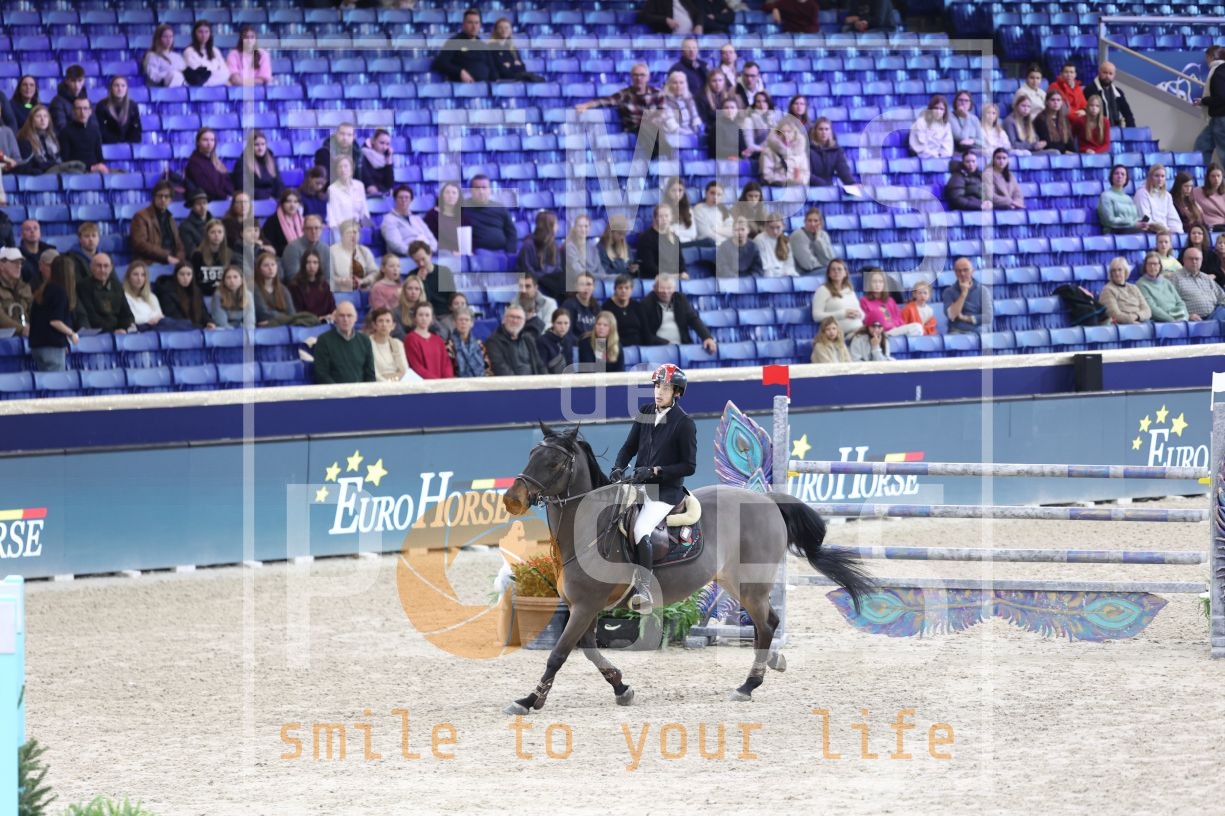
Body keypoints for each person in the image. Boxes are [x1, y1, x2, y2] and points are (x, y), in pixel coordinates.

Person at [611, 363, 698, 613]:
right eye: (657, 386)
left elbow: (689, 466)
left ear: (677, 392)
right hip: (639, 486)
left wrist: (657, 471)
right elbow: (629, 447)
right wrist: (618, 467)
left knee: (640, 529)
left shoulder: (684, 423)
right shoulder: (645, 411)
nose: (659, 391)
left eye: (666, 388)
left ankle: (644, 589)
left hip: (665, 492)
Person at [574, 65, 664, 135]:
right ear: (631, 77)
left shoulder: (657, 93)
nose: (639, 78)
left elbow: (663, 112)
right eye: (635, 75)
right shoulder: (624, 95)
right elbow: (604, 101)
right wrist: (586, 105)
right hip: (635, 129)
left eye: (642, 75)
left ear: (648, 77)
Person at [641, 273, 716, 351]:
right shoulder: (646, 304)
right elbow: (645, 333)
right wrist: (665, 343)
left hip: (682, 346)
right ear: (654, 288)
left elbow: (693, 319)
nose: (665, 292)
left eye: (669, 288)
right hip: (658, 348)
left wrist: (707, 337)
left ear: (674, 288)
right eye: (662, 288)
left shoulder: (681, 299)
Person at [28, 255, 77, 370]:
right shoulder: (60, 292)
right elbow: (55, 321)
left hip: (37, 346)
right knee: (55, 380)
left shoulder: (44, 289)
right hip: (51, 346)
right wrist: (72, 334)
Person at [313, 301, 375, 384]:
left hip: (360, 390)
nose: (345, 319)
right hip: (335, 391)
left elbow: (370, 374)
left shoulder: (365, 340)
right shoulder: (323, 340)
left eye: (349, 315)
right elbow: (322, 374)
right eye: (341, 315)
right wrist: (340, 390)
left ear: (356, 318)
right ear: (335, 318)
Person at [431, 8, 498, 83]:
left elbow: (493, 71)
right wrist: (460, 71)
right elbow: (440, 63)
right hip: (462, 87)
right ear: (464, 25)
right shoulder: (454, 42)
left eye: (476, 23)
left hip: (484, 86)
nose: (474, 27)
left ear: (480, 25)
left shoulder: (483, 46)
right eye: (470, 23)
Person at [252, 252, 318, 328]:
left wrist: (277, 320)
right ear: (259, 269)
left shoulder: (283, 288)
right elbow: (263, 314)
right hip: (264, 329)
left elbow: (292, 314)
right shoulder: (254, 288)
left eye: (273, 265)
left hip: (281, 326)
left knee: (311, 318)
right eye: (266, 265)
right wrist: (285, 318)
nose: (270, 268)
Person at [76, 253, 135, 333]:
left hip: (119, 332)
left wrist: (124, 328)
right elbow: (91, 317)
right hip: (98, 334)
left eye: (106, 266)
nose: (102, 270)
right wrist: (113, 331)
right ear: (91, 267)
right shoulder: (83, 287)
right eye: (98, 266)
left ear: (111, 268)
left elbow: (127, 315)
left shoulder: (117, 286)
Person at [16, 106, 85, 175]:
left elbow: (58, 157)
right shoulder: (25, 139)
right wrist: (52, 164)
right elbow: (32, 164)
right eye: (38, 116)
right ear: (32, 120)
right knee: (75, 170)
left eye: (45, 116)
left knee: (79, 168)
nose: (43, 119)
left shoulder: (52, 136)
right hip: (42, 172)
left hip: (55, 167)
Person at [130, 181, 185, 266]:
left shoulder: (171, 219)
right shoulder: (141, 216)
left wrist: (179, 259)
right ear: (154, 197)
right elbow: (140, 244)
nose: (163, 199)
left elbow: (179, 244)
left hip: (171, 261)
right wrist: (166, 256)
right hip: (150, 262)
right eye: (160, 196)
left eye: (166, 196)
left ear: (170, 200)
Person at [485, 304, 545, 376]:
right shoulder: (493, 341)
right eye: (511, 317)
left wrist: (546, 380)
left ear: (524, 322)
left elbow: (540, 364)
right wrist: (520, 382)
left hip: (534, 380)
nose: (515, 321)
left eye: (519, 318)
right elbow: (500, 368)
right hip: (512, 382)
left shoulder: (528, 338)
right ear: (504, 320)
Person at [463, 175, 517, 253]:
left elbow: (511, 232)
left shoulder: (500, 208)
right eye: (477, 188)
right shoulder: (463, 208)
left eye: (484, 188)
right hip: (478, 253)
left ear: (489, 190)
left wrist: (510, 252)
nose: (481, 192)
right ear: (471, 191)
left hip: (503, 251)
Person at [860, 267, 920, 336]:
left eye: (880, 282)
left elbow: (899, 320)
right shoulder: (864, 301)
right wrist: (885, 325)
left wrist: (892, 324)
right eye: (874, 282)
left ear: (884, 284)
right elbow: (867, 322)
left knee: (917, 327)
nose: (877, 284)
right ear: (869, 284)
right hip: (878, 332)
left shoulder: (890, 301)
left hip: (893, 330)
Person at [811, 258, 863, 335]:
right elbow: (816, 316)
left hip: (859, 329)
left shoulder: (849, 290)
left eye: (839, 269)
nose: (836, 271)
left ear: (845, 273)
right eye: (833, 269)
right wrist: (843, 314)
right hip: (840, 335)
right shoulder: (823, 290)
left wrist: (859, 314)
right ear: (829, 274)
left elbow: (861, 313)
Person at [381, 185, 437, 257]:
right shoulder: (389, 219)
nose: (404, 200)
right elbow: (395, 244)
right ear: (395, 199)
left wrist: (431, 249)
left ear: (411, 200)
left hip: (426, 253)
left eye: (407, 197)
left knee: (445, 254)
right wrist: (416, 253)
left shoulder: (417, 219)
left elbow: (431, 238)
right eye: (400, 197)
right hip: (406, 256)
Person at [154, 261, 213, 329]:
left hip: (196, 329)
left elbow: (203, 312)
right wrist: (196, 327)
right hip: (178, 330)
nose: (185, 277)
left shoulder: (197, 292)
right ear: (176, 275)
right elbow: (174, 318)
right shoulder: (167, 292)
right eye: (182, 274)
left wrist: (209, 322)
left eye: (189, 274)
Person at [402, 303, 453, 379]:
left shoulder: (438, 340)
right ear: (415, 318)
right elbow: (415, 366)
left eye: (427, 315)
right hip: (423, 383)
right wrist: (435, 381)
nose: (424, 318)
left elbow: (446, 363)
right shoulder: (410, 339)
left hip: (441, 383)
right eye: (420, 315)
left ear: (432, 318)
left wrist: (447, 380)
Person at [942, 256, 992, 334]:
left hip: (978, 331)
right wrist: (963, 294)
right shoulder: (948, 292)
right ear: (955, 273)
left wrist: (965, 318)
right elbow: (952, 315)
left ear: (972, 271)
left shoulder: (983, 291)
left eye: (965, 270)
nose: (962, 273)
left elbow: (988, 317)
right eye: (958, 271)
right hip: (956, 331)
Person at [122, 260, 176, 332]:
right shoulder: (124, 296)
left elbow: (160, 316)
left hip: (159, 326)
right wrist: (150, 319)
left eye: (143, 275)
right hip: (142, 329)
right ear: (128, 277)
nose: (139, 278)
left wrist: (154, 319)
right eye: (135, 274)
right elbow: (130, 318)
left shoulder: (152, 296)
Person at [1173, 247, 1225, 321]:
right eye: (1191, 259)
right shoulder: (1176, 278)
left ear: (1201, 261)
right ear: (1184, 260)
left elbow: (1222, 297)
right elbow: (1170, 304)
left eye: (1197, 259)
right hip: (1194, 320)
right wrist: (1187, 316)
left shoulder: (1206, 278)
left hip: (1215, 315)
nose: (1194, 261)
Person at [637, 205, 688, 280]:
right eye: (660, 216)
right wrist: (670, 276)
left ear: (671, 218)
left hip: (675, 277)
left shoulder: (675, 238)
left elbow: (681, 261)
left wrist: (683, 272)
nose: (664, 219)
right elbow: (649, 265)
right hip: (656, 278)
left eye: (666, 216)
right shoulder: (646, 238)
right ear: (655, 218)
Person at [313, 122, 367, 193]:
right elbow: (326, 180)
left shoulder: (358, 153)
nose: (345, 138)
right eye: (342, 134)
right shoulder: (324, 153)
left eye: (349, 135)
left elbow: (362, 177)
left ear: (354, 137)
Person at [230, 130, 284, 201]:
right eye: (256, 145)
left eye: (263, 144)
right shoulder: (242, 163)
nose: (260, 148)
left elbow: (279, 183)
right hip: (253, 201)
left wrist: (278, 196)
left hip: (272, 199)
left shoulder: (272, 161)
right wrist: (266, 196)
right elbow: (244, 188)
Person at [808, 117, 859, 191]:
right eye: (821, 129)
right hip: (811, 189)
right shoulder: (807, 149)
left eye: (826, 129)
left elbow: (843, 169)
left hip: (829, 189)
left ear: (830, 131)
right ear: (815, 131)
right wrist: (824, 185)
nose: (824, 132)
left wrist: (851, 183)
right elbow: (807, 174)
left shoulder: (836, 150)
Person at [1136, 250, 1189, 322]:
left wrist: (1185, 317)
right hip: (1161, 321)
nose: (1152, 266)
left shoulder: (1167, 282)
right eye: (1149, 264)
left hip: (1178, 318)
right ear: (1145, 266)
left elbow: (1180, 302)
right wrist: (1172, 320)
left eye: (1155, 264)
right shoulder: (1141, 284)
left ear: (1160, 266)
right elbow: (1152, 308)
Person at [1098, 165, 1152, 234]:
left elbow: (1134, 217)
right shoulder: (1105, 196)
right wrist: (1133, 224)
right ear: (1112, 177)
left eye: (1123, 174)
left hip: (1131, 229)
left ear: (1126, 179)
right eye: (1116, 173)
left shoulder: (1128, 198)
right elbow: (1109, 220)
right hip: (1115, 231)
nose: (1119, 176)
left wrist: (1140, 222)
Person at [1098, 257, 1152, 325]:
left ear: (1125, 271)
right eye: (1114, 271)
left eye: (1120, 270)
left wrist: (1137, 316)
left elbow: (1147, 311)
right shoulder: (1107, 290)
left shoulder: (1134, 288)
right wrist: (1131, 320)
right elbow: (1114, 314)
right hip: (1123, 325)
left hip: (1139, 321)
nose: (1117, 273)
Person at [59, 97, 107, 173]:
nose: (82, 112)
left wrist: (102, 167)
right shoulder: (65, 132)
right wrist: (90, 168)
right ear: (73, 111)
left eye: (85, 108)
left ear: (90, 111)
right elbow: (66, 160)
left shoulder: (95, 131)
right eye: (78, 109)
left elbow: (99, 156)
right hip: (77, 172)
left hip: (97, 171)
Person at [407, 240, 455, 315]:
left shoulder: (444, 272)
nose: (421, 264)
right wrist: (419, 281)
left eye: (423, 259)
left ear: (430, 254)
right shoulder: (412, 276)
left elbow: (452, 297)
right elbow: (420, 301)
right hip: (423, 314)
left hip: (445, 313)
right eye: (417, 261)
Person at [488, 18, 544, 83]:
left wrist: (510, 65)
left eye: (506, 28)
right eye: (500, 28)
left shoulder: (512, 48)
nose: (504, 30)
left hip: (517, 79)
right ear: (496, 30)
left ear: (510, 30)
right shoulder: (491, 47)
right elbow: (501, 70)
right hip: (504, 81)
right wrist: (514, 64)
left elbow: (522, 67)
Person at [659, 70, 703, 152]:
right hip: (672, 136)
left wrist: (697, 129)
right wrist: (690, 133)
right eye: (675, 83)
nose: (678, 86)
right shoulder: (663, 101)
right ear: (669, 84)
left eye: (681, 83)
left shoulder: (689, 99)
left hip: (689, 134)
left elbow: (696, 119)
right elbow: (672, 127)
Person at [185, 127, 234, 201]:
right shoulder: (194, 163)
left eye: (212, 140)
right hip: (209, 201)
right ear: (198, 142)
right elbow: (206, 187)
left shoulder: (217, 161)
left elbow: (227, 182)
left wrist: (230, 194)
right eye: (205, 140)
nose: (209, 143)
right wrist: (225, 196)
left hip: (224, 199)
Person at [366, 307, 413, 382]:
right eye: (380, 321)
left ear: (393, 326)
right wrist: (391, 381)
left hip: (399, 385)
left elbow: (404, 372)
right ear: (374, 325)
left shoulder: (398, 344)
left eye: (388, 321)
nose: (384, 324)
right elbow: (374, 374)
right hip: (377, 386)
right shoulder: (367, 344)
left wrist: (389, 378)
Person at [602, 273, 651, 346]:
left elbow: (646, 331)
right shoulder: (607, 307)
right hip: (617, 346)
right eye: (620, 288)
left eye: (627, 288)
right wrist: (601, 351)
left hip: (639, 346)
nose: (623, 291)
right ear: (615, 289)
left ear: (632, 290)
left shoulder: (637, 306)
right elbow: (602, 332)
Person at [281, 215, 331, 285]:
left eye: (317, 228)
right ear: (303, 230)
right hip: (299, 289)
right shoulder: (292, 248)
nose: (313, 231)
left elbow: (329, 277)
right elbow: (292, 278)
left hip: (321, 288)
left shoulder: (326, 249)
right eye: (309, 228)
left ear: (321, 230)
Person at [1134, 164, 1183, 234]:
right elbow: (1146, 219)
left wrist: (1177, 232)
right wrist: (1165, 231)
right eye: (1157, 176)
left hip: (1166, 233)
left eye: (1162, 176)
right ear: (1150, 177)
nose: (1160, 179)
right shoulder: (1142, 193)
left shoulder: (1167, 196)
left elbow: (1173, 218)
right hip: (1150, 232)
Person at [1085, 61, 1135, 129]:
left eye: (1110, 73)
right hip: (1097, 130)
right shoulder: (1089, 90)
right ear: (1099, 72)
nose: (1107, 76)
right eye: (1105, 73)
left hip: (1115, 130)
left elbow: (1128, 114)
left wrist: (1132, 131)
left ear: (1114, 75)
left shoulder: (1118, 93)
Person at [329, 219, 376, 292]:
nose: (352, 235)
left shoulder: (365, 251)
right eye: (349, 232)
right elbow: (326, 276)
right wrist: (342, 281)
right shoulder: (331, 251)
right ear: (342, 235)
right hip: (340, 292)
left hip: (363, 290)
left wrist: (363, 281)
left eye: (355, 232)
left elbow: (375, 273)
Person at [288, 249, 336, 321]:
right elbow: (297, 314)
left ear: (319, 265)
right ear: (303, 264)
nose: (312, 266)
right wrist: (319, 319)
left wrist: (333, 315)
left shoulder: (325, 285)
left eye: (315, 262)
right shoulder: (295, 286)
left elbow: (333, 308)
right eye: (308, 262)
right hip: (306, 324)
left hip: (326, 322)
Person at [326, 155, 370, 232]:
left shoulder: (359, 185)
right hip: (342, 229)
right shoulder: (332, 189)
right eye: (340, 167)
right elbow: (334, 217)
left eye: (346, 166)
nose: (343, 170)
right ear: (336, 171)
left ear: (352, 168)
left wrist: (366, 228)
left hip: (358, 227)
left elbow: (364, 212)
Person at [517, 210, 562, 284]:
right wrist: (544, 276)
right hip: (535, 282)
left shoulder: (554, 245)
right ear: (548, 226)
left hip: (551, 279)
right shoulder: (528, 245)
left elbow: (558, 268)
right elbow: (527, 270)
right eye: (556, 224)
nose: (558, 227)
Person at [183, 19, 231, 87]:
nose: (204, 35)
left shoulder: (215, 50)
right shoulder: (189, 51)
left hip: (215, 79)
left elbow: (225, 70)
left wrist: (211, 71)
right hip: (200, 82)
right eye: (200, 32)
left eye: (206, 32)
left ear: (210, 33)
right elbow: (198, 73)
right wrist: (214, 71)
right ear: (195, 33)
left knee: (225, 74)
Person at [760, 119, 809, 186]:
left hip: (797, 187)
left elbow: (805, 172)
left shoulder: (800, 152)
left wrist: (800, 180)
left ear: (794, 133)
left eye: (789, 131)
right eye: (782, 131)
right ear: (777, 134)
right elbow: (767, 175)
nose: (785, 134)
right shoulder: (768, 151)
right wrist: (784, 181)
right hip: (778, 187)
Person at [1198, 45, 1225, 167]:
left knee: (1223, 152)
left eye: (1207, 57)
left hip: (1221, 118)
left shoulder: (1218, 71)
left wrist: (1204, 101)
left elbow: (1220, 97)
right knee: (1201, 146)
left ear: (1211, 57)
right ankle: (1200, 174)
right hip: (1216, 119)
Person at [191, 218, 231, 296]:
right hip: (204, 295)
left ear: (224, 235)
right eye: (213, 232)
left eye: (220, 232)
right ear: (207, 235)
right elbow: (195, 281)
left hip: (224, 295)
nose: (216, 235)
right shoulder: (197, 255)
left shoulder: (230, 254)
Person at [258, 188, 302, 258]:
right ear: (282, 204)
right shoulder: (272, 221)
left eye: (295, 202)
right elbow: (270, 246)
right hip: (281, 257)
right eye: (288, 201)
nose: (292, 205)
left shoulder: (301, 220)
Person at [563, 214, 602, 288]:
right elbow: (577, 272)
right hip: (577, 283)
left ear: (590, 228)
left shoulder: (593, 247)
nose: (583, 229)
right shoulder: (570, 247)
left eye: (586, 226)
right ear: (575, 228)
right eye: (580, 226)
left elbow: (600, 269)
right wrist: (598, 276)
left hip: (594, 280)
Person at [0, 247, 33, 335]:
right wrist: (21, 329)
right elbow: (1, 318)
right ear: (1, 265)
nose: (19, 266)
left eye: (20, 263)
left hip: (27, 334)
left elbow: (35, 311)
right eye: (14, 262)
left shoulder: (25, 287)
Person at [792, 208, 835, 274]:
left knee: (840, 270)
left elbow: (830, 259)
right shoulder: (797, 235)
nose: (812, 224)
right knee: (834, 273)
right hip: (804, 273)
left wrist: (818, 240)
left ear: (820, 222)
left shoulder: (823, 235)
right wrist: (826, 267)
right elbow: (808, 264)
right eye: (809, 221)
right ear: (805, 221)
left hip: (821, 269)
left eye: (816, 221)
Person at [424, 181, 462, 254]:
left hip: (461, 251)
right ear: (441, 196)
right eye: (447, 192)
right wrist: (452, 251)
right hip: (441, 251)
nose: (451, 195)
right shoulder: (432, 215)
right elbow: (431, 239)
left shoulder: (463, 214)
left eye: (454, 193)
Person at [49, 65, 88, 136]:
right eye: (73, 81)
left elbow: (94, 125)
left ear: (84, 81)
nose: (77, 85)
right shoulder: (57, 102)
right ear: (67, 81)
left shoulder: (87, 101)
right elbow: (61, 129)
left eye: (80, 81)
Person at [447, 308, 487, 377]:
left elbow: (487, 368)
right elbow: (449, 371)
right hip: (457, 382)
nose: (463, 322)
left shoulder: (479, 344)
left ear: (472, 323)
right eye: (460, 320)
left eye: (467, 320)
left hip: (480, 381)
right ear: (455, 323)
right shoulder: (449, 345)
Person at [515, 272, 557, 338]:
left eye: (527, 286)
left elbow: (548, 328)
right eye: (521, 286)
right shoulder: (514, 303)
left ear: (536, 288)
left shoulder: (550, 303)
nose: (524, 290)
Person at [754, 213, 796, 277]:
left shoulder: (785, 240)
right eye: (771, 228)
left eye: (778, 227)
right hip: (767, 276)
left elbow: (790, 265)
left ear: (783, 226)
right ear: (766, 226)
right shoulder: (759, 240)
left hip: (785, 276)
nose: (775, 231)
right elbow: (764, 267)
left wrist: (787, 273)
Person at [536, 308, 576, 374]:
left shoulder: (568, 340)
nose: (563, 327)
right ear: (553, 323)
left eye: (566, 323)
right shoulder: (542, 341)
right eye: (559, 323)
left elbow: (570, 365)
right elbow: (542, 367)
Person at [560, 271, 600, 339]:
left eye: (589, 284)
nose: (585, 288)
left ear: (594, 287)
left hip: (593, 343)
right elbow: (566, 333)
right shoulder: (569, 305)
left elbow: (601, 332)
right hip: (576, 344)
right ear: (576, 287)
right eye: (582, 284)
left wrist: (600, 346)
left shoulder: (597, 307)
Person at [693, 181, 733, 245]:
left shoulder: (724, 209)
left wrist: (715, 229)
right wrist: (725, 241)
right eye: (712, 193)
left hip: (725, 244)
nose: (715, 197)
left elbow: (732, 231)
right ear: (705, 193)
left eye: (719, 194)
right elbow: (706, 234)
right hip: (708, 246)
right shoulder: (698, 209)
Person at [662, 177, 697, 246]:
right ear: (668, 192)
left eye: (680, 190)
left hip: (688, 243)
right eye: (673, 190)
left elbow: (693, 234)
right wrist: (684, 233)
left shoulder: (688, 210)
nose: (677, 194)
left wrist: (676, 231)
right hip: (673, 244)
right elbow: (667, 233)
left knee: (709, 242)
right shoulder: (663, 210)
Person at [360, 129, 395, 196]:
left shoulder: (387, 158)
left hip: (382, 192)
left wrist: (389, 162)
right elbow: (367, 179)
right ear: (373, 141)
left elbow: (389, 184)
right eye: (381, 143)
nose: (384, 147)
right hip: (367, 193)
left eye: (387, 144)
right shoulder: (363, 155)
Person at [18, 219, 53, 286]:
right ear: (22, 234)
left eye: (35, 228)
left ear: (40, 233)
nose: (32, 231)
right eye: (28, 229)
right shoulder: (17, 255)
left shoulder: (50, 252)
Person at [637, 0, 702, 34]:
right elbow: (643, 17)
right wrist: (665, 20)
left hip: (691, 38)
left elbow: (698, 13)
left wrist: (699, 25)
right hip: (671, 39)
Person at [1194, 163, 1225, 231]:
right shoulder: (1197, 192)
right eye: (1213, 176)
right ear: (1208, 177)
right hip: (1209, 227)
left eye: (1218, 176)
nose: (1216, 179)